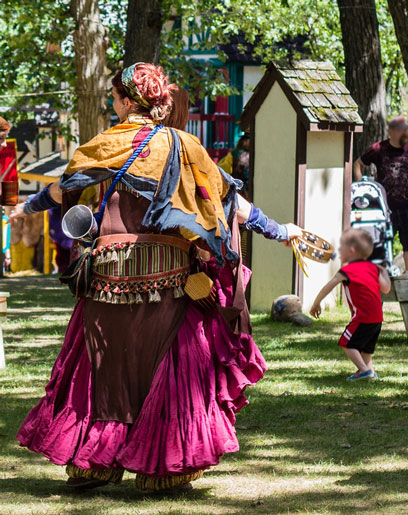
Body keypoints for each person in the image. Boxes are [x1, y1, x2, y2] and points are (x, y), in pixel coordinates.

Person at [13, 62, 301, 492]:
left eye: (114, 98)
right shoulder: (186, 148)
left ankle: (95, 462)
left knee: (102, 369)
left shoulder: (104, 145)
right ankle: (165, 468)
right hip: (169, 278)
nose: (113, 105)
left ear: (129, 101)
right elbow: (229, 202)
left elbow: (62, 191)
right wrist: (280, 231)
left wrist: (26, 207)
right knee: (170, 367)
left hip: (108, 280)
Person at [309, 228, 391, 380]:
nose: (339, 250)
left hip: (362, 317)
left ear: (352, 251)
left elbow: (329, 286)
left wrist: (316, 304)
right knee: (366, 348)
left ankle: (363, 370)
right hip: (378, 317)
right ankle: (369, 371)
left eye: (341, 247)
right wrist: (384, 271)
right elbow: (386, 289)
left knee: (347, 343)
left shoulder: (346, 270)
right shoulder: (374, 268)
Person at [354, 117, 408, 275]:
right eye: (402, 131)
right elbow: (358, 164)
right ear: (392, 131)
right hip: (384, 206)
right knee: (381, 241)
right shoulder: (378, 149)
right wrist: (361, 187)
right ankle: (381, 274)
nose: (405, 134)